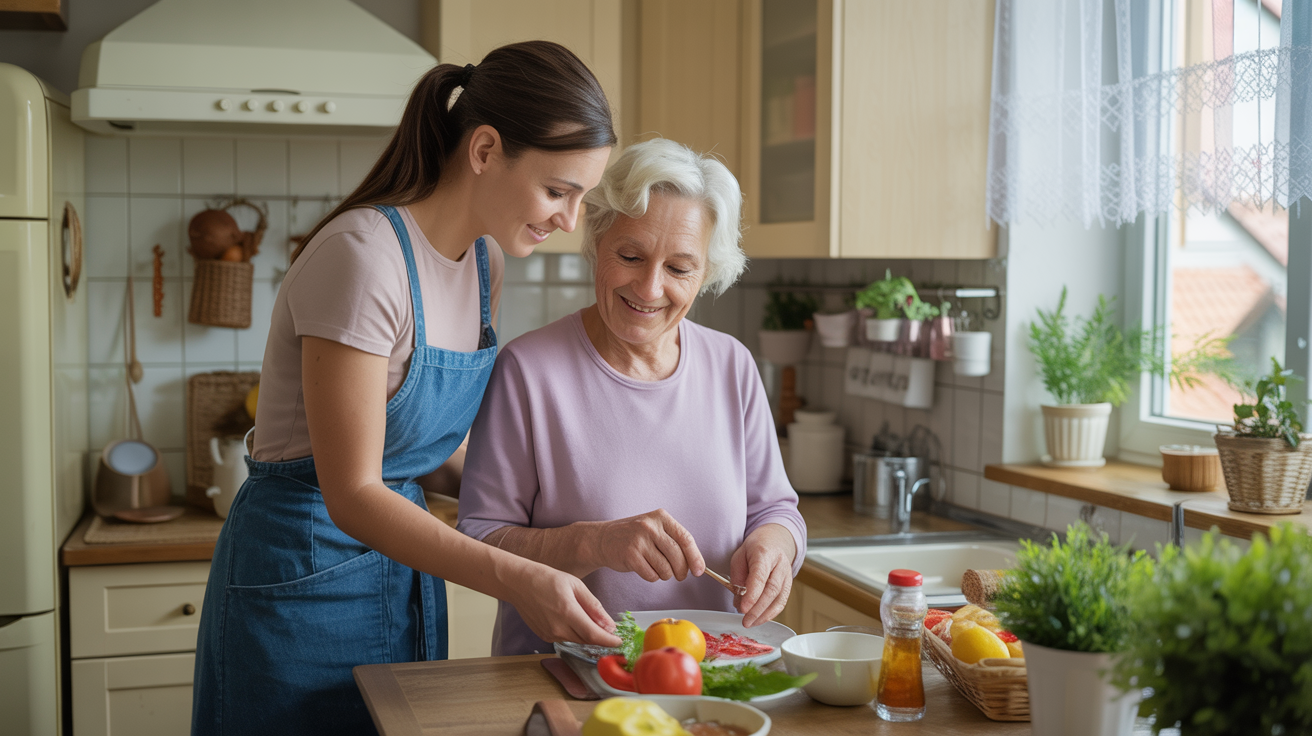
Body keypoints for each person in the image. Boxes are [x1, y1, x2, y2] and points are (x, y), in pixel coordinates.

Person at [192, 42, 622, 736]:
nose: (570, 220)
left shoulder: (484, 261)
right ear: (484, 149)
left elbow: (422, 452)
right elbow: (355, 490)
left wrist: (569, 533)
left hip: (402, 579)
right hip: (302, 580)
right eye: (557, 190)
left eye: (581, 197)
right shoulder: (364, 259)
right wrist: (515, 576)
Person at [456, 138, 807, 656]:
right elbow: (480, 540)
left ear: (706, 274)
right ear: (597, 241)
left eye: (679, 268)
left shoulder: (732, 365)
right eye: (630, 255)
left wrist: (776, 545)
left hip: (714, 675)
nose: (648, 288)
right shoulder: (528, 371)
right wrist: (594, 543)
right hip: (561, 677)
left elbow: (777, 508)